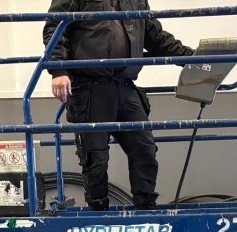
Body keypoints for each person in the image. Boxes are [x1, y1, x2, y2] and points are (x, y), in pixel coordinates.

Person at [43, 0, 194, 211]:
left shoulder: (136, 1)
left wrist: (193, 58)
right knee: (95, 157)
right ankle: (99, 212)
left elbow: (154, 36)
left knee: (144, 147)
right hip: (89, 85)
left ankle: (145, 208)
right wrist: (58, 69)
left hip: (125, 84)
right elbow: (55, 26)